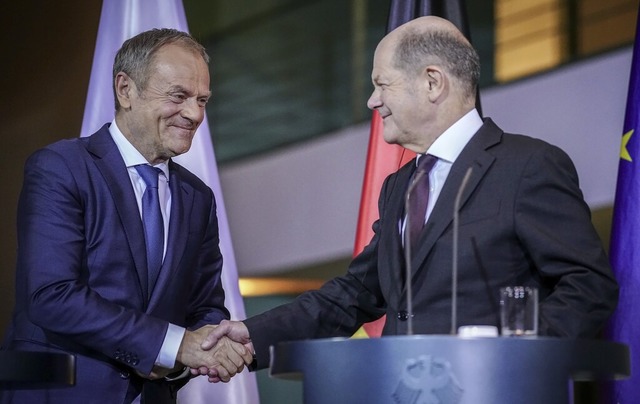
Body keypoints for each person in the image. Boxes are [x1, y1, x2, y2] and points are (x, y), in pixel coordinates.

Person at [199, 15, 619, 378]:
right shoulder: (400, 185)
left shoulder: (527, 166)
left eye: (383, 84)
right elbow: (354, 295)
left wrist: (518, 355)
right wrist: (252, 335)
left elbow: (588, 284)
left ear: (432, 82)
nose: (372, 100)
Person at [0, 28, 252, 404]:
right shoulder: (61, 167)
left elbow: (205, 306)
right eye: (179, 96)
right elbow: (51, 294)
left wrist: (207, 346)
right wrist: (173, 345)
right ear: (125, 90)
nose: (195, 114)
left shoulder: (198, 198)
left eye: (202, 100)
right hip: (62, 392)